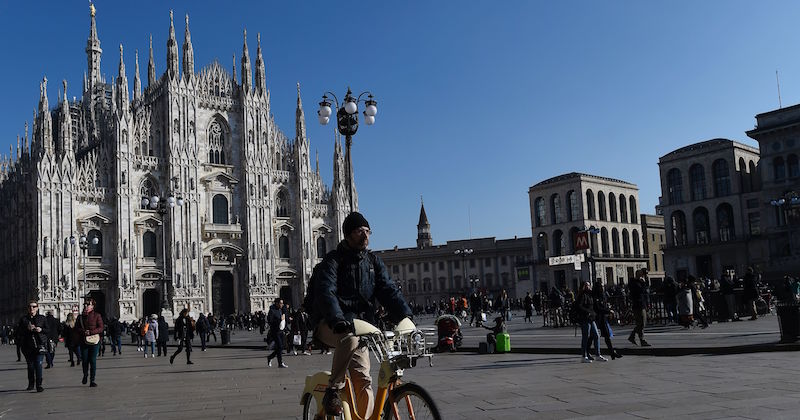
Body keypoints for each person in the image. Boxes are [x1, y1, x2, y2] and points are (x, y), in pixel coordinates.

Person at [310, 212, 412, 418]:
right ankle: (332, 390)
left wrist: (404, 315)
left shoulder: (372, 262)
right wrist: (337, 319)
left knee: (364, 380)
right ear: (347, 235)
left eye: (367, 231)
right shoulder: (333, 261)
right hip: (331, 323)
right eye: (359, 231)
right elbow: (326, 291)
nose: (365, 236)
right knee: (349, 338)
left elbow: (389, 290)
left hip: (361, 326)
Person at [18, 300, 48, 392]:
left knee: (38, 364)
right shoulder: (24, 319)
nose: (32, 308)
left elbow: (48, 330)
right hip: (28, 346)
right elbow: (19, 332)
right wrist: (27, 329)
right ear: (27, 308)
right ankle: (31, 383)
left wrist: (41, 329)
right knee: (30, 366)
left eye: (34, 306)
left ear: (37, 308)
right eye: (30, 307)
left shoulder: (42, 318)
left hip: (39, 345)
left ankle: (39, 385)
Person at [75, 297, 103, 387]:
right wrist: (83, 332)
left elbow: (101, 327)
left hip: (95, 341)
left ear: (93, 306)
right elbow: (76, 328)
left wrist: (91, 332)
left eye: (88, 304)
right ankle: (85, 375)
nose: (86, 306)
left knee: (93, 360)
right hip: (84, 341)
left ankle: (92, 380)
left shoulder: (97, 315)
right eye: (85, 304)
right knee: (85, 360)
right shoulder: (80, 317)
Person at [592, 281, 622, 360]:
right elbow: (597, 308)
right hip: (596, 318)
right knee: (593, 336)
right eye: (601, 287)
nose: (602, 288)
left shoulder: (603, 295)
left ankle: (612, 353)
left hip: (602, 317)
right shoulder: (595, 296)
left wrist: (608, 310)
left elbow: (604, 305)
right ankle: (586, 352)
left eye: (603, 286)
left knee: (606, 335)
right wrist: (608, 311)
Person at [576, 282, 605, 363]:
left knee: (596, 335)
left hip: (591, 318)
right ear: (584, 287)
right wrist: (587, 311)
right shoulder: (582, 295)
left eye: (589, 285)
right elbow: (579, 306)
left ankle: (598, 355)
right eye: (587, 285)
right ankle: (583, 356)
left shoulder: (590, 295)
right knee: (585, 337)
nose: (589, 286)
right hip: (585, 318)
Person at [627, 269, 651, 347]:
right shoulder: (634, 283)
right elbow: (641, 290)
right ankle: (641, 340)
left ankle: (632, 336)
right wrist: (643, 282)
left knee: (642, 323)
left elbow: (645, 291)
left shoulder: (640, 282)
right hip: (637, 304)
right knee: (641, 323)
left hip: (642, 304)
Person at [266, 298, 288, 367]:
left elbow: (283, 321)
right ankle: (280, 363)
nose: (282, 305)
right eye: (281, 303)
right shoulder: (272, 311)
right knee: (280, 346)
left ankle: (270, 357)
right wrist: (279, 320)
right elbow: (270, 321)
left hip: (281, 331)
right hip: (275, 332)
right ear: (276, 303)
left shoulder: (280, 310)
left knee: (280, 347)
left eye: (282, 303)